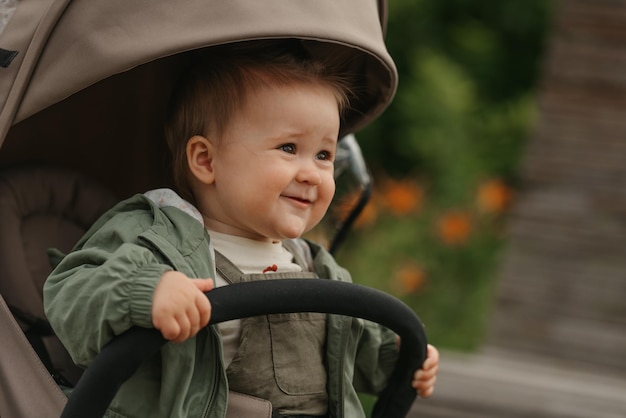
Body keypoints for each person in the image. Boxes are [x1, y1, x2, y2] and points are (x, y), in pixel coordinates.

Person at [44, 40, 439, 418]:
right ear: (206, 160)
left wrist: (399, 355)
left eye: (324, 155)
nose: (313, 174)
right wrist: (145, 290)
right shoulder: (155, 239)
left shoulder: (312, 265)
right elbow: (72, 293)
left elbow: (351, 349)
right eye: (288, 148)